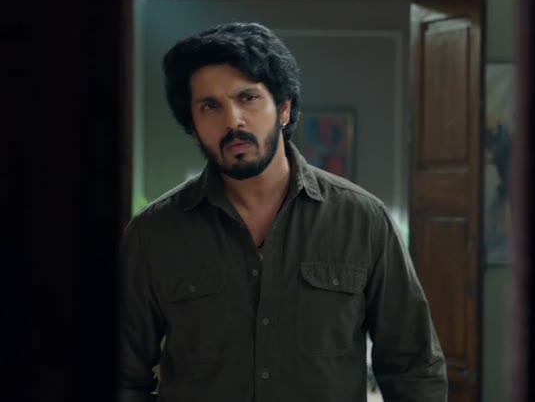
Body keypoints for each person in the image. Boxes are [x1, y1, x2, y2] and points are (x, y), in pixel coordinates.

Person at [118, 22, 447, 402]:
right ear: (192, 126)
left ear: (284, 109)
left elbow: (414, 369)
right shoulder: (154, 233)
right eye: (210, 106)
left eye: (248, 98)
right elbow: (123, 376)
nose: (232, 120)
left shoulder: (362, 220)